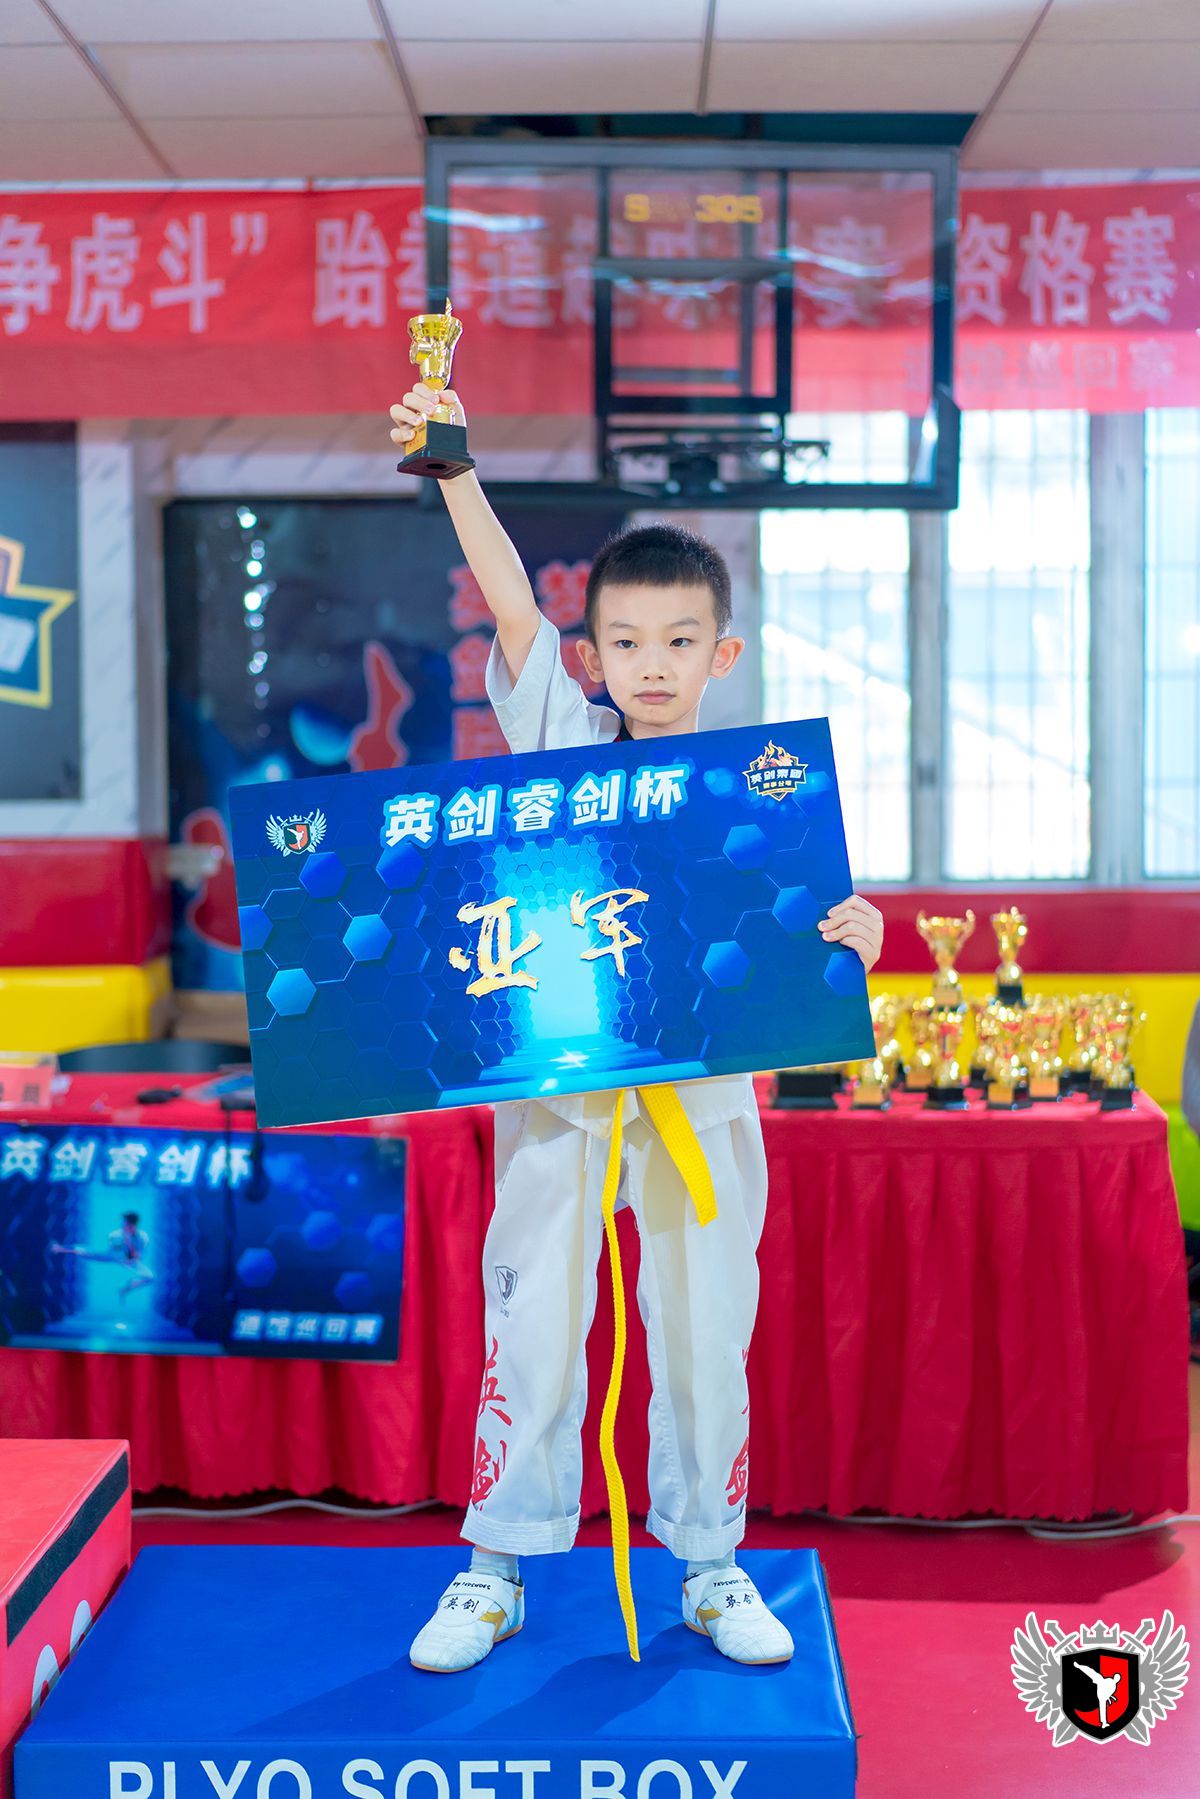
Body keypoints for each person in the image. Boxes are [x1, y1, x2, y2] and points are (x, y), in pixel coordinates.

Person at [389, 383, 884, 1674]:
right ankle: (496, 1567)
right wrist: (456, 473)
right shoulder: (562, 737)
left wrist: (856, 935)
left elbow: (802, 936)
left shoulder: (760, 792)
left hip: (705, 1108)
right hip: (561, 1098)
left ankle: (711, 1564)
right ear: (592, 657)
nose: (651, 663)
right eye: (624, 641)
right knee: (533, 1332)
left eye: (678, 640)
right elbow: (511, 606)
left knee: (708, 1334)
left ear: (724, 653)